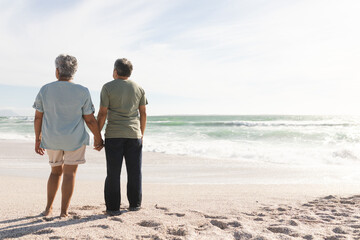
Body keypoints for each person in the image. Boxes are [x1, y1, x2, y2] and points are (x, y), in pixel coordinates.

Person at [33, 54, 103, 218]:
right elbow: (90, 119)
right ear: (74, 72)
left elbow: (38, 117)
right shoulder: (82, 91)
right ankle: (63, 212)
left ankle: (48, 209)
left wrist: (38, 139)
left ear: (57, 71)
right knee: (70, 173)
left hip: (52, 138)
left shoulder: (45, 89)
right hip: (75, 139)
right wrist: (98, 138)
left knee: (55, 172)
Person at [97, 58, 147, 215]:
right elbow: (143, 113)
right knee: (134, 171)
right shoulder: (138, 88)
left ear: (115, 71)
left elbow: (103, 113)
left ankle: (112, 207)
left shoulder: (107, 87)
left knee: (113, 172)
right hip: (134, 134)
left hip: (114, 135)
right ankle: (135, 204)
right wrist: (141, 133)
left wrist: (97, 135)